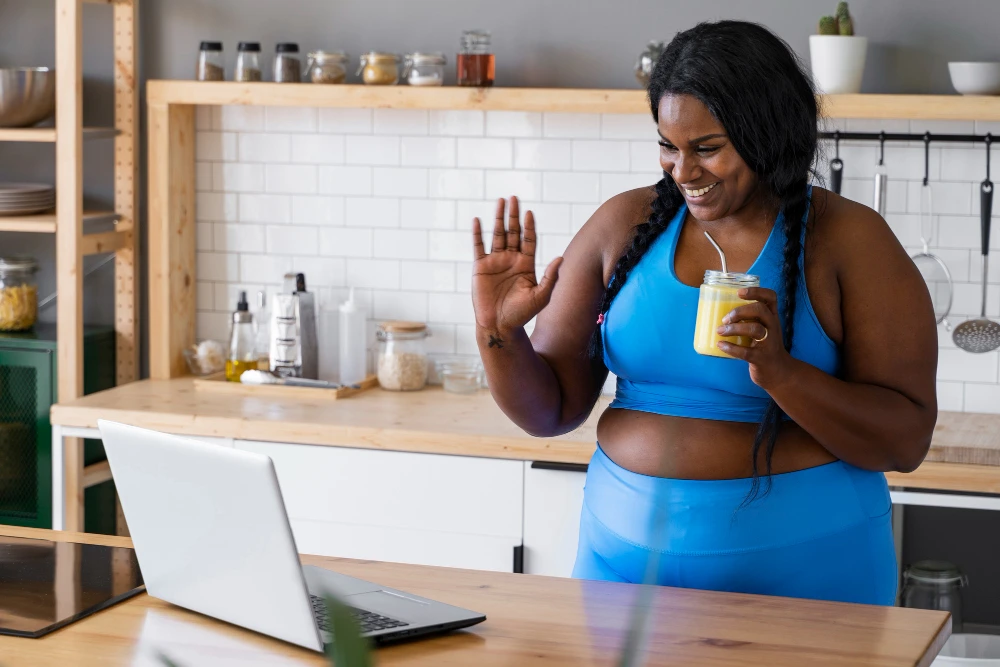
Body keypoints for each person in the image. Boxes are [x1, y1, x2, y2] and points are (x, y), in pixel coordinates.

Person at [469, 20, 937, 605]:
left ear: (766, 133)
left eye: (707, 148)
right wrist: (499, 333)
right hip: (619, 575)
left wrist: (782, 373)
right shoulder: (623, 224)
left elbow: (905, 442)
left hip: (808, 581)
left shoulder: (850, 240)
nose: (682, 171)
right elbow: (551, 410)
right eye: (668, 145)